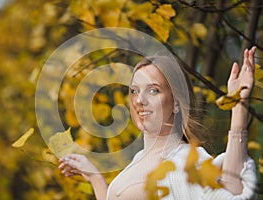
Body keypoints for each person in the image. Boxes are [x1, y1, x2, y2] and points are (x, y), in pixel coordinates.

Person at [58, 46, 257, 200]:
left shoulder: (184, 160)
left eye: (153, 90)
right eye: (134, 91)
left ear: (177, 103)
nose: (139, 100)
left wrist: (238, 105)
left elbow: (232, 193)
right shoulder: (139, 158)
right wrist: (95, 177)